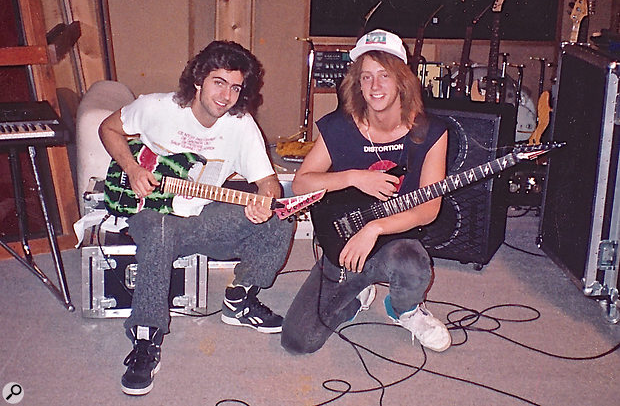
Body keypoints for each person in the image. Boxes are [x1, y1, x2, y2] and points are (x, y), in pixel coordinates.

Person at [99, 40, 295, 395]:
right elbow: (108, 128)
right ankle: (146, 339)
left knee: (280, 219)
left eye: (235, 87)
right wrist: (131, 168)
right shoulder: (156, 107)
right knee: (160, 227)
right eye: (219, 82)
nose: (226, 95)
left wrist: (265, 201)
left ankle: (240, 299)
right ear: (198, 79)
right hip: (151, 213)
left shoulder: (240, 125)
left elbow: (269, 184)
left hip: (200, 217)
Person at [280, 29, 451, 354]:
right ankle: (358, 294)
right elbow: (302, 183)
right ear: (356, 83)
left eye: (385, 75)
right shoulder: (341, 126)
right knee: (297, 341)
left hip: (394, 241)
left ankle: (405, 310)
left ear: (402, 79)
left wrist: (375, 229)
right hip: (343, 246)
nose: (375, 87)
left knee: (413, 266)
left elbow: (429, 208)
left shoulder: (429, 132)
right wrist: (354, 177)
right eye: (366, 76)